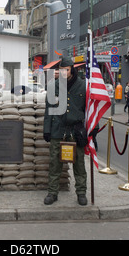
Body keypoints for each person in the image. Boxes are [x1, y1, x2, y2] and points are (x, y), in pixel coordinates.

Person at [43, 56, 88, 206]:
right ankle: (52, 192)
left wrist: (92, 129)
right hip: (58, 128)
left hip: (76, 129)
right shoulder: (53, 86)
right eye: (61, 70)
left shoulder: (83, 86)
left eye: (66, 70)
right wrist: (47, 129)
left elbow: (88, 109)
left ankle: (81, 192)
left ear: (72, 70)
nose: (63, 72)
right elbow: (49, 110)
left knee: (79, 164)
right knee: (55, 163)